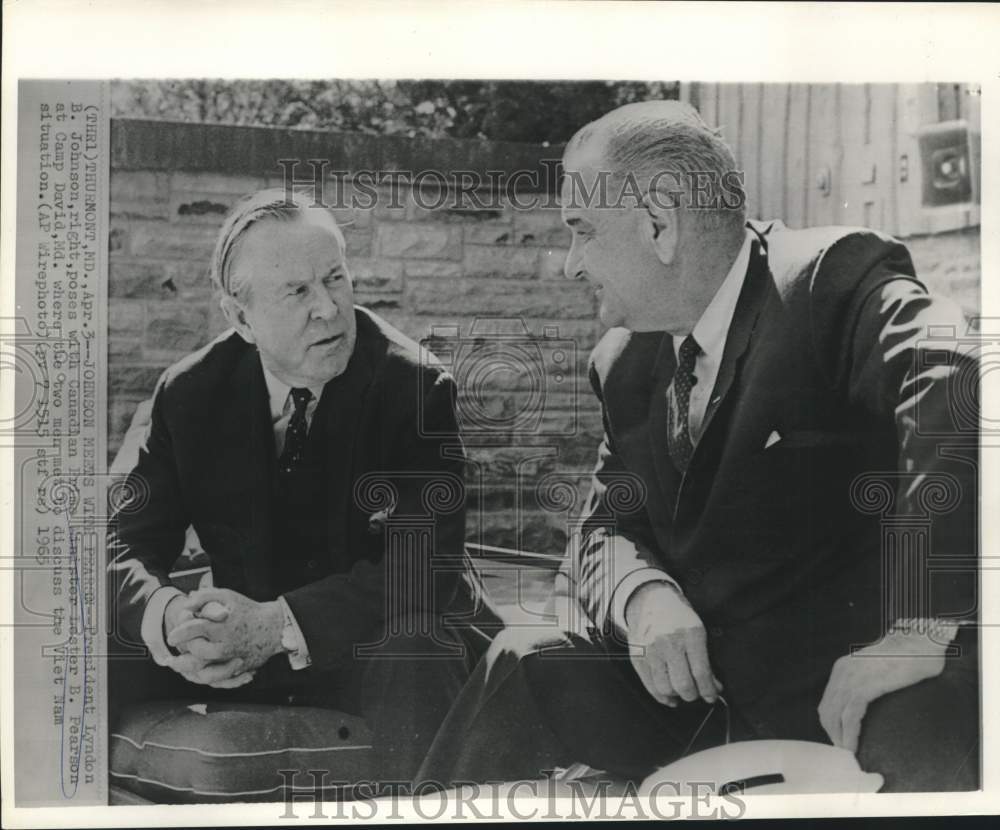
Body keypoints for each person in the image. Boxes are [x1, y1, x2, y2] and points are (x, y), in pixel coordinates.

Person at [418, 101, 979, 792]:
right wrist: (643, 595)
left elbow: (961, 376)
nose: (570, 265)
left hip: (845, 707)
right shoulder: (622, 363)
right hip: (693, 710)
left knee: (929, 712)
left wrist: (925, 622)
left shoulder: (827, 281)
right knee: (526, 657)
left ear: (659, 223)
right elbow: (602, 529)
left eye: (581, 232)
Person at [107, 188, 497, 787]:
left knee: (414, 647)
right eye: (298, 292)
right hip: (245, 655)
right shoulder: (189, 393)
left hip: (375, 641)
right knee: (94, 639)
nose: (329, 309)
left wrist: (274, 625)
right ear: (240, 317)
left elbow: (422, 566)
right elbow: (117, 540)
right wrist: (169, 619)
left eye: (335, 279)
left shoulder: (412, 386)